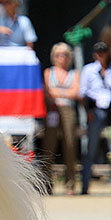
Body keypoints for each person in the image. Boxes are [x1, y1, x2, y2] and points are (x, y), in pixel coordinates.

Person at [78, 41, 111, 195]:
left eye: (103, 52)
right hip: (95, 111)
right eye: (98, 52)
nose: (100, 55)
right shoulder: (88, 70)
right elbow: (82, 94)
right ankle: (85, 185)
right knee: (91, 148)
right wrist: (87, 111)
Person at [39, 42, 79, 195]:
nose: (62, 58)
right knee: (49, 146)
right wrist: (64, 93)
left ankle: (70, 183)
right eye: (58, 55)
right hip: (52, 109)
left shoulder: (74, 74)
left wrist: (57, 93)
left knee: (70, 145)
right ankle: (47, 183)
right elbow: (46, 92)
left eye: (65, 55)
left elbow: (76, 92)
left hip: (68, 109)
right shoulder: (49, 72)